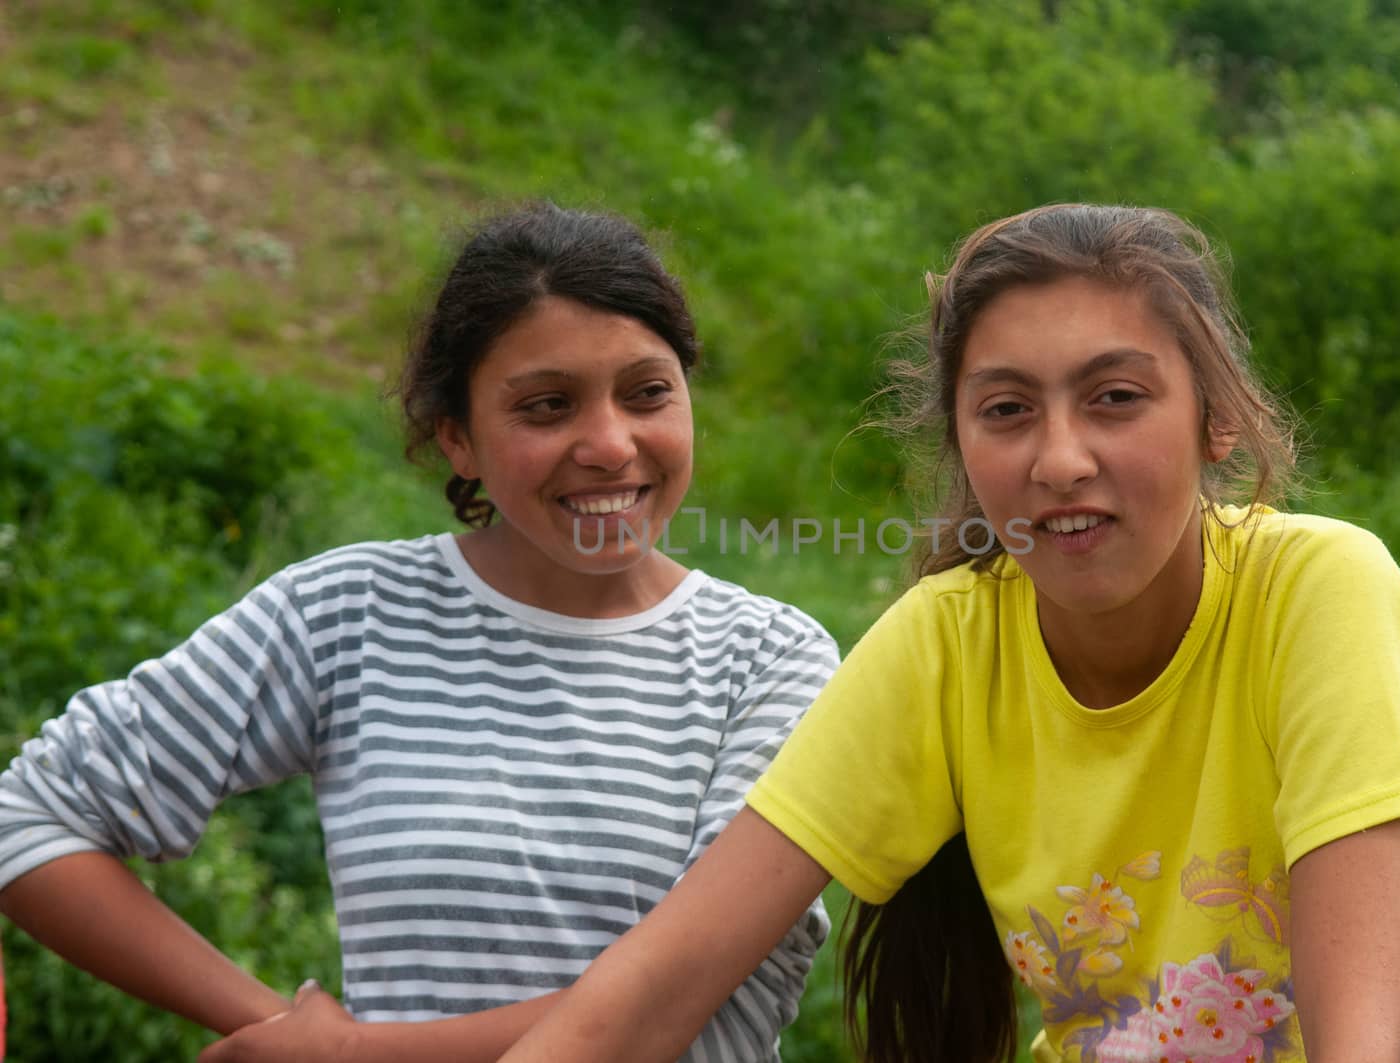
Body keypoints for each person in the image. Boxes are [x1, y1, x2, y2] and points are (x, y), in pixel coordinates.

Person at [494, 203, 1400, 1063]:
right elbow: (649, 992)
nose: (1060, 459)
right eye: (1008, 409)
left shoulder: (1315, 588)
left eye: (1114, 398)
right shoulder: (946, 644)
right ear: (963, 443)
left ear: (1215, 419)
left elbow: (1378, 1036)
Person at [0, 203, 836, 1063]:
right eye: (547, 407)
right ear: (458, 438)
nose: (610, 445)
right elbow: (32, 816)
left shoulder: (769, 661)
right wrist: (274, 1027)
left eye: (647, 392)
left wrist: (351, 1053)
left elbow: (695, 995)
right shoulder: (346, 614)